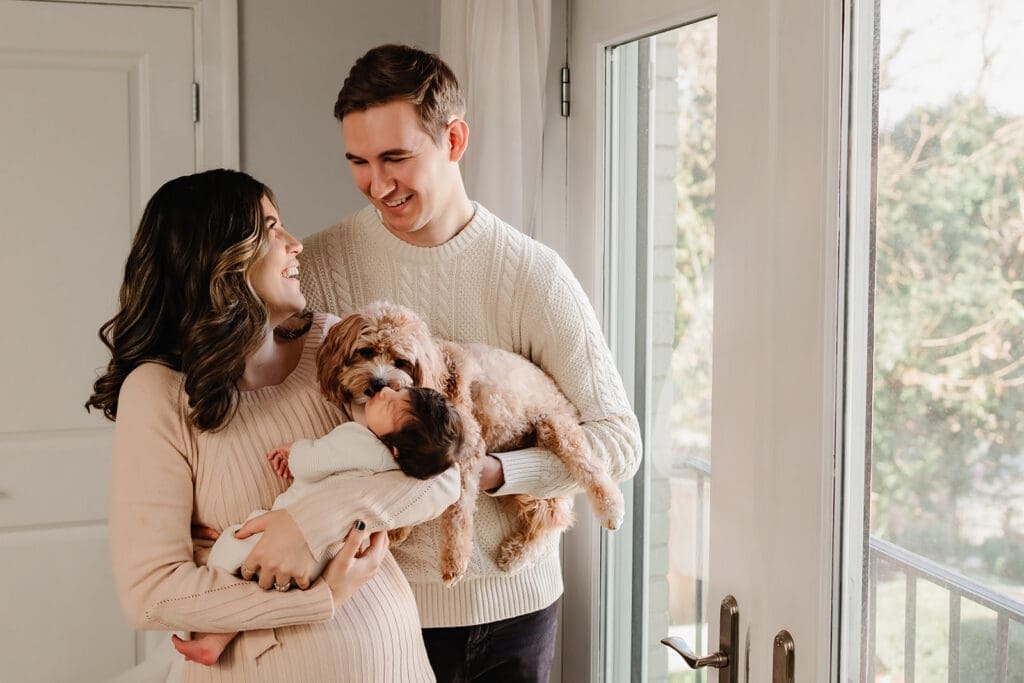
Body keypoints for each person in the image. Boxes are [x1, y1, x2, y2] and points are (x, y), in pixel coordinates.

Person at [292, 44, 643, 681]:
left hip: (513, 612)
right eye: (359, 162)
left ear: (454, 139)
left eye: (396, 157)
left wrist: (493, 473)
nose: (378, 183)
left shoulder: (533, 274)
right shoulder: (317, 267)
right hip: (369, 606)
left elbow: (618, 442)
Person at [87, 168, 460, 681]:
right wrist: (323, 594)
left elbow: (444, 472)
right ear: (219, 256)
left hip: (392, 659)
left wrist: (307, 526)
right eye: (270, 228)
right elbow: (151, 594)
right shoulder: (158, 394)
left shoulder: (334, 346)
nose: (295, 243)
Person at [173, 384, 464, 667]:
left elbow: (315, 460)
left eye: (392, 404)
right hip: (330, 560)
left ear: (397, 448)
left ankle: (212, 624)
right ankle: (217, 640)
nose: (386, 390)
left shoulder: (358, 438)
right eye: (400, 391)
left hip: (283, 541)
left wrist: (294, 453)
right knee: (263, 589)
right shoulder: (400, 468)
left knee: (233, 549)